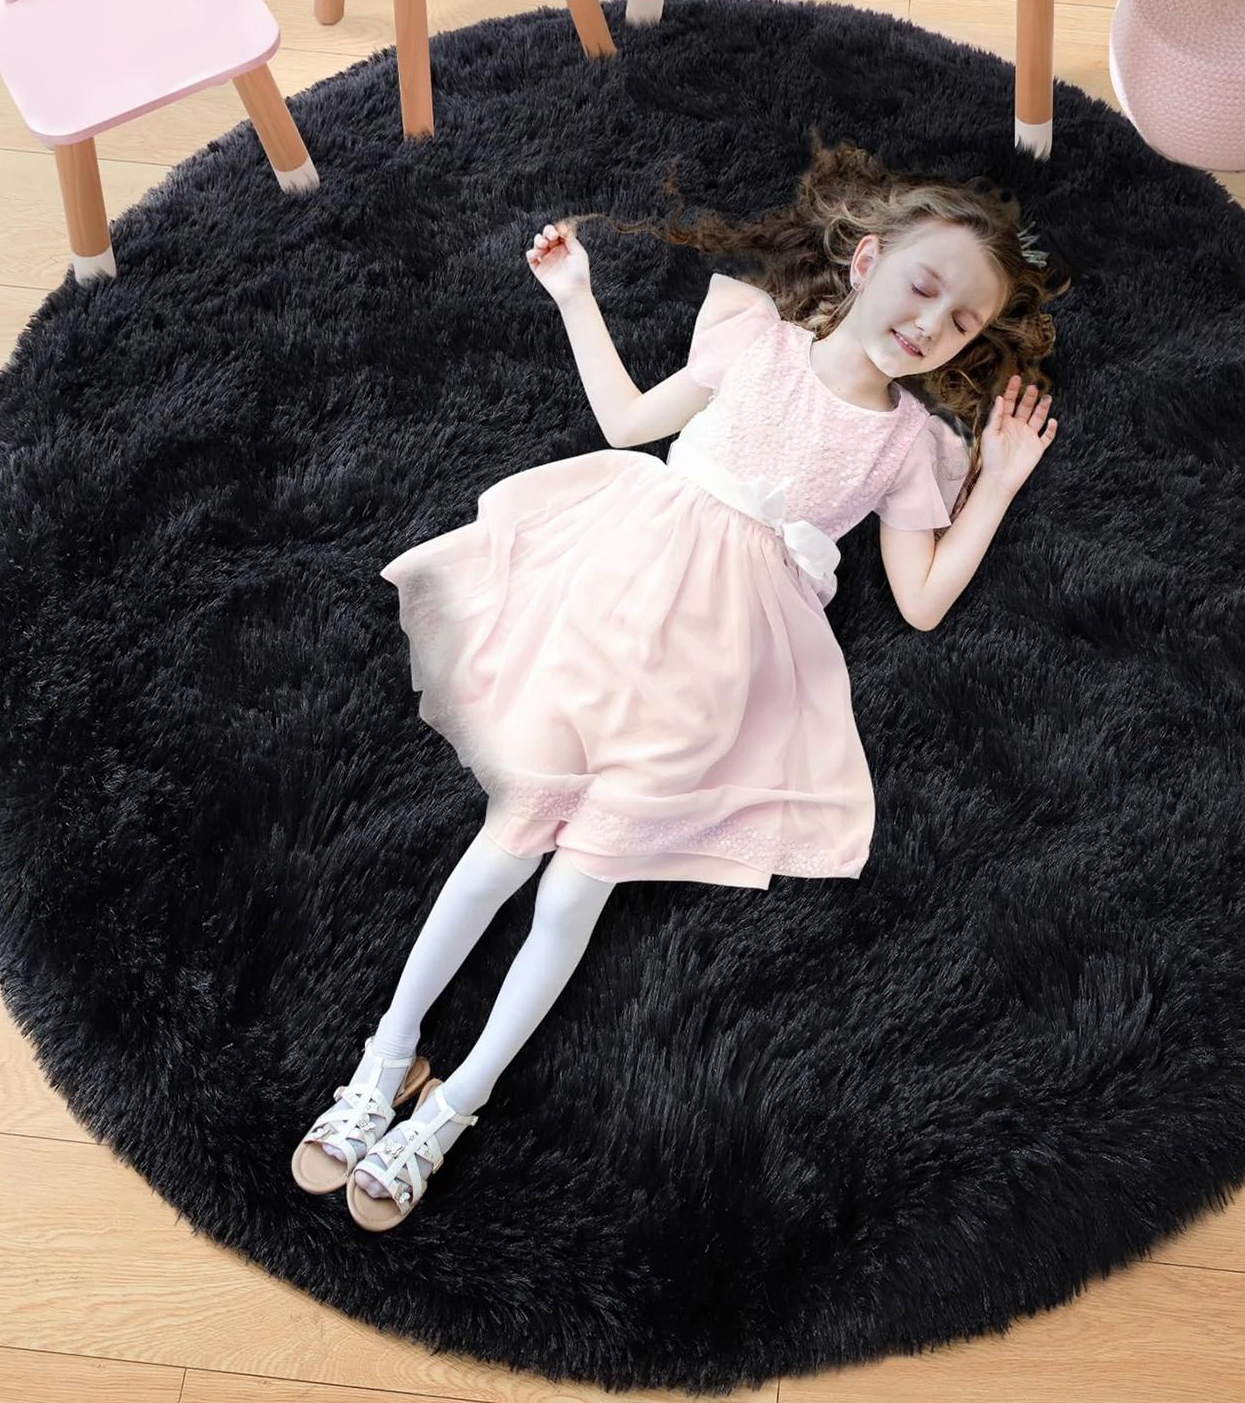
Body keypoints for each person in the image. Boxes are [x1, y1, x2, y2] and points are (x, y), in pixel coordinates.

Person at [291, 134, 1067, 1230]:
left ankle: (456, 1103)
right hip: (610, 604)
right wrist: (576, 297)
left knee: (573, 892)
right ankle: (385, 1057)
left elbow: (924, 601)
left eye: (963, 322)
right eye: (922, 287)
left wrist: (997, 482)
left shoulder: (908, 445)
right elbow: (625, 425)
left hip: (713, 672)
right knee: (504, 847)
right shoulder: (754, 339)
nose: (932, 325)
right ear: (865, 262)